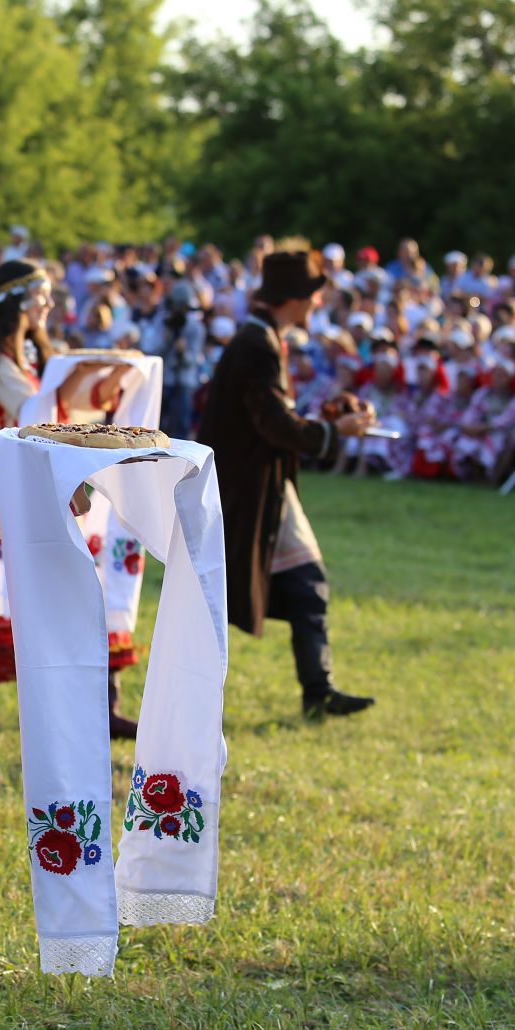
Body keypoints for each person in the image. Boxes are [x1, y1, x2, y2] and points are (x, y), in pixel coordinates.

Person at [0, 258, 133, 737]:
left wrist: (104, 385)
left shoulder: (32, 354)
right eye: (42, 294)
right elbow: (30, 416)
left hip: (53, 488)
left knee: (84, 591)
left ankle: (105, 708)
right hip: (10, 495)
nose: (50, 303)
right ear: (21, 299)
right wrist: (69, 385)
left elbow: (70, 412)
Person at [198, 247, 377, 720]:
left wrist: (328, 418)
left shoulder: (261, 338)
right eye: (313, 296)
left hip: (266, 488)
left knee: (306, 588)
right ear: (294, 297)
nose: (318, 304)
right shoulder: (256, 344)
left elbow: (274, 418)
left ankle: (318, 689)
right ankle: (311, 691)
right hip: (251, 491)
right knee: (275, 592)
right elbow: (274, 424)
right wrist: (333, 433)